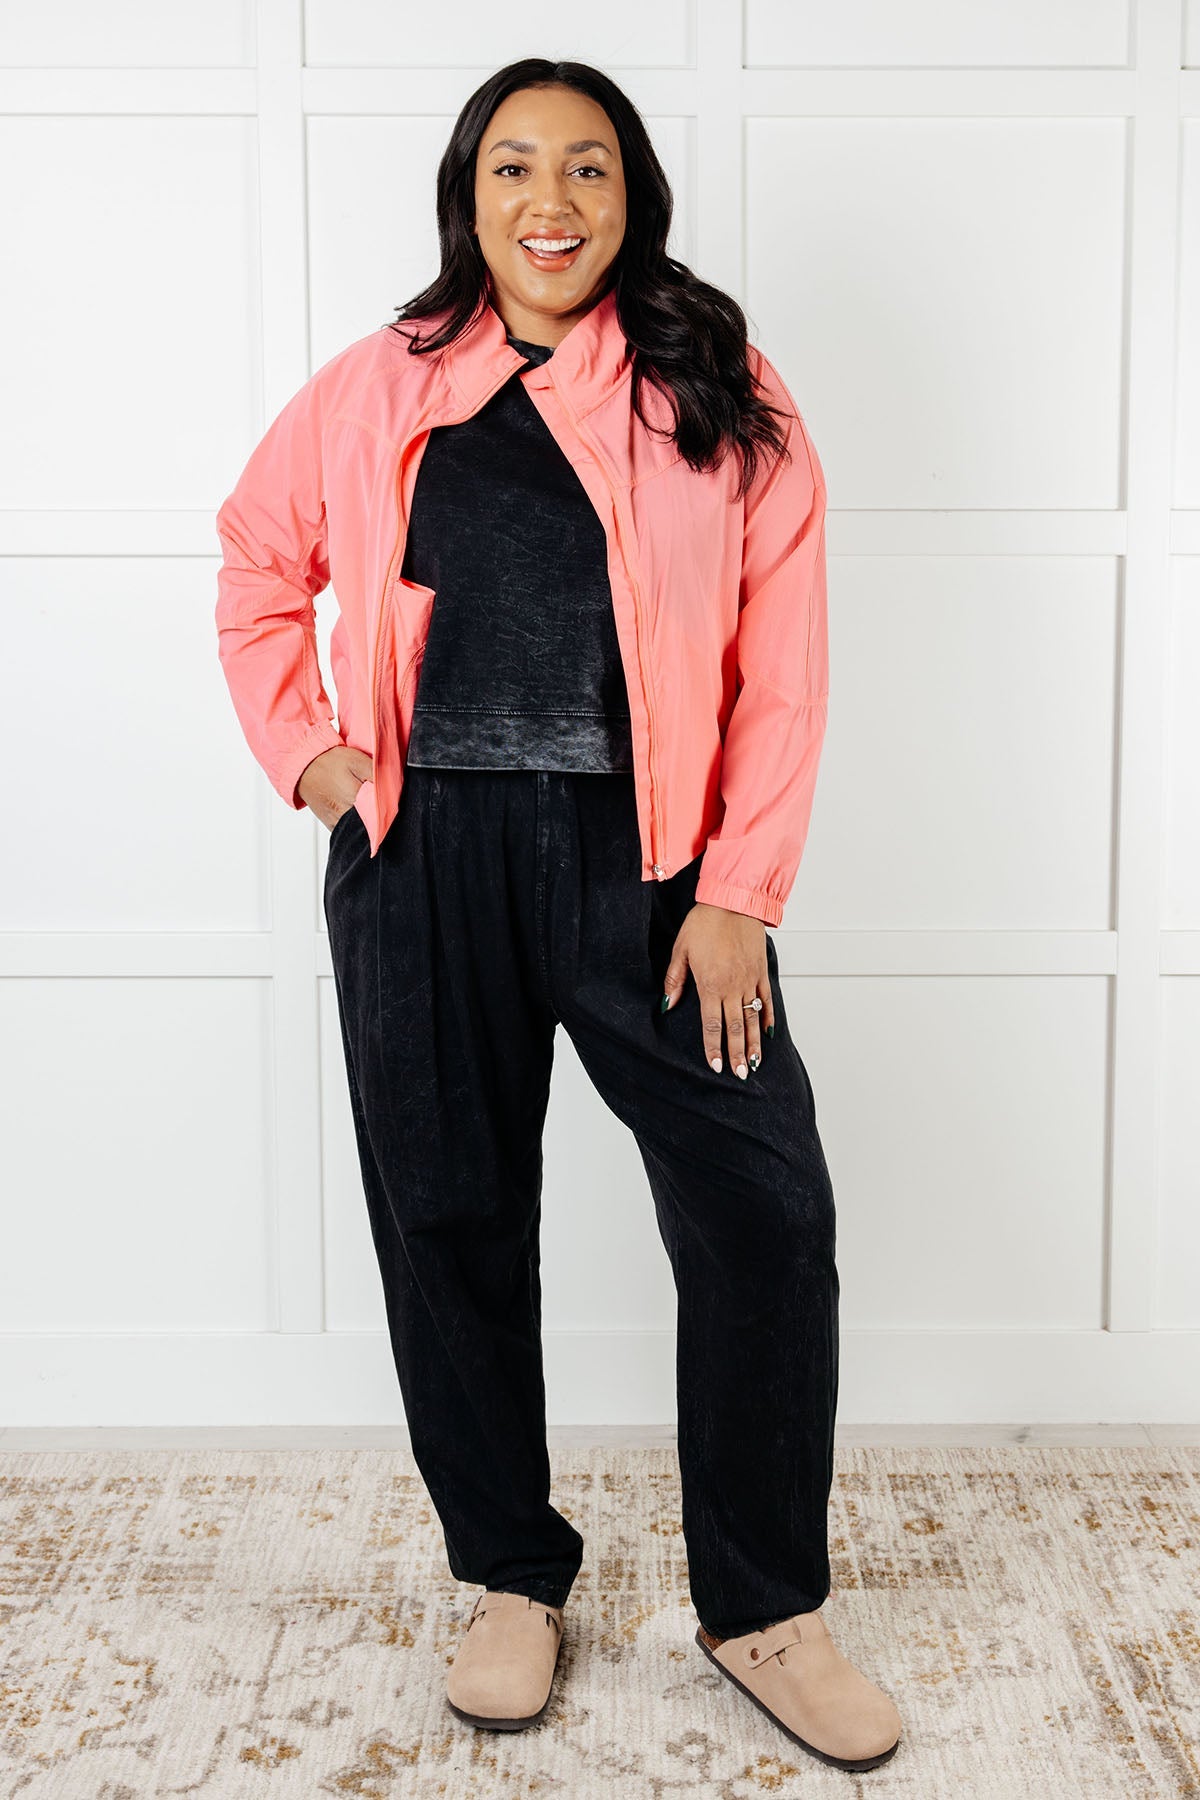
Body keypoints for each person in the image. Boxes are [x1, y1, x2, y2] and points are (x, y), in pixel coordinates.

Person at [214, 56, 902, 1775]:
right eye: (514, 166)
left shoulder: (718, 388)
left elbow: (786, 655)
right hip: (420, 853)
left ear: (630, 195)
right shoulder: (379, 383)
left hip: (653, 870)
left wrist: (738, 890)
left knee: (765, 1214)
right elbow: (256, 564)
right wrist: (314, 758)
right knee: (447, 1215)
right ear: (470, 196)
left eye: (586, 167)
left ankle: (764, 1609)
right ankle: (510, 1576)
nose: (550, 200)